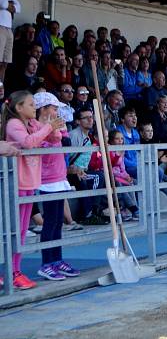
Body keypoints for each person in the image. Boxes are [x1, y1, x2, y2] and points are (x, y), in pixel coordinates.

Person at [1, 90, 65, 289]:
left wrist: (50, 123)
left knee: (20, 231)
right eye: (30, 104)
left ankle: (15, 270)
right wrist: (47, 127)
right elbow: (29, 143)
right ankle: (11, 271)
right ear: (19, 107)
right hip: (16, 182)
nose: (34, 108)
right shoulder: (14, 124)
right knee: (14, 229)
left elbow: (54, 139)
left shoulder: (32, 124)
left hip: (29, 182)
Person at [33, 91, 81, 281]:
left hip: (59, 175)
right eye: (53, 108)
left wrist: (57, 129)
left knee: (58, 222)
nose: (56, 111)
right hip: (46, 179)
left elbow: (64, 140)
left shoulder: (57, 125)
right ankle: (47, 262)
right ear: (43, 109)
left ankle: (57, 260)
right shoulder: (35, 126)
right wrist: (50, 129)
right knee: (50, 222)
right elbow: (41, 143)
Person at [0, 0, 20, 81]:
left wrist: (9, 5)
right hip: (0, 26)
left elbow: (19, 7)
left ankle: (0, 85)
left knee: (5, 61)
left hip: (8, 28)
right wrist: (9, 4)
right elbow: (2, 3)